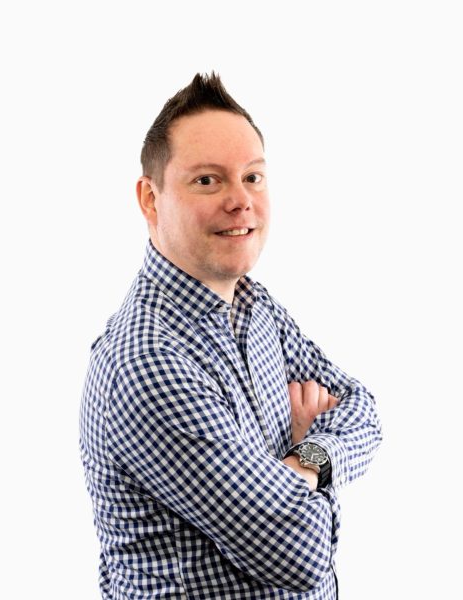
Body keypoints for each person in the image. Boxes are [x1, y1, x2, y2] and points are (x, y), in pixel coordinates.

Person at [79, 72, 383, 599]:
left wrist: (305, 461)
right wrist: (312, 465)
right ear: (150, 199)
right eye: (207, 181)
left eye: (253, 177)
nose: (241, 201)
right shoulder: (148, 361)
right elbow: (297, 553)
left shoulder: (253, 306)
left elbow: (363, 409)